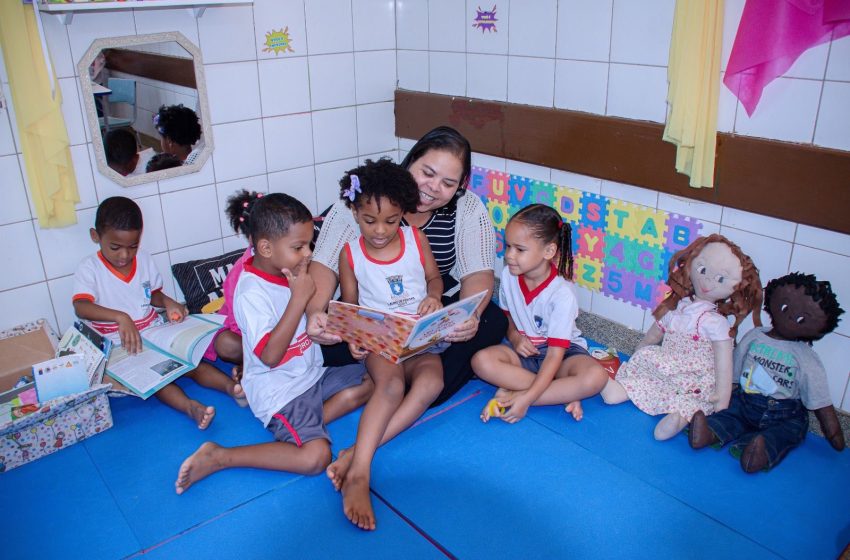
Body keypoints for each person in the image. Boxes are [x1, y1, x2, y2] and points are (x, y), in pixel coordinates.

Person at [174, 193, 373, 494]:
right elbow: (269, 356)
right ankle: (221, 456)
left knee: (375, 378)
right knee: (316, 457)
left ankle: (310, 421)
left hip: (311, 374)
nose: (307, 254)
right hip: (280, 390)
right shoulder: (251, 292)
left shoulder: (290, 272)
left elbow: (308, 324)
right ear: (266, 247)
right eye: (298, 247)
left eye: (309, 245)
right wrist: (299, 298)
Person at [308, 126, 506, 406]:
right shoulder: (367, 196)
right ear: (410, 161)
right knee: (315, 333)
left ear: (461, 185)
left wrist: (469, 317)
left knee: (492, 319)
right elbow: (324, 266)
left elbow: (478, 272)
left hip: (424, 306)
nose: (433, 188)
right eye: (427, 173)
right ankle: (404, 381)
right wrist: (316, 313)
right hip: (371, 307)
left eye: (448, 183)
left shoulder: (468, 208)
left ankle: (393, 381)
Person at [330, 159, 444, 531]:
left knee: (432, 383)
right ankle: (360, 472)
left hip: (421, 340)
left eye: (391, 221)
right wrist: (354, 339)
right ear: (354, 211)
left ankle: (356, 451)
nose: (380, 231)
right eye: (369, 220)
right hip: (382, 343)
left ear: (403, 214)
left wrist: (434, 299)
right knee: (391, 385)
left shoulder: (416, 238)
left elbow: (433, 278)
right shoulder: (350, 254)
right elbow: (350, 307)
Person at [72, 196, 245, 429]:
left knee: (189, 361)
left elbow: (152, 294)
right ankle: (191, 407)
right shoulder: (89, 268)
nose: (124, 255)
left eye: (132, 247)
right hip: (118, 341)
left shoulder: (143, 259)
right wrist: (120, 318)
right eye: (115, 247)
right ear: (96, 236)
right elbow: (81, 307)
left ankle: (232, 388)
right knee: (159, 376)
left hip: (153, 329)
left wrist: (169, 302)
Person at [600, 234, 763, 440]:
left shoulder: (716, 323)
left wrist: (722, 399)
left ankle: (679, 418)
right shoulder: (675, 308)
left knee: (692, 400)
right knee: (647, 375)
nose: (708, 282)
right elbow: (651, 337)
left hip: (694, 379)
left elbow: (724, 364)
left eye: (721, 279)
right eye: (703, 270)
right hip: (666, 367)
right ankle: (619, 390)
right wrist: (637, 357)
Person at [689, 272, 845, 473]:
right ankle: (709, 433)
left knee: (785, 434)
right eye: (786, 307)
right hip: (746, 401)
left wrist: (834, 433)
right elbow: (734, 370)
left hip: (784, 413)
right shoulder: (755, 336)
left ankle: (758, 452)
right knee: (728, 415)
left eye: (801, 318)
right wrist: (723, 393)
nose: (790, 317)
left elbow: (820, 400)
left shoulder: (806, 357)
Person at [471, 204, 609, 424]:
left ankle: (521, 394)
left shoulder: (562, 293)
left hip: (563, 354)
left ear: (549, 252)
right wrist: (515, 337)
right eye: (507, 246)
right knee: (481, 361)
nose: (509, 255)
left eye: (519, 249)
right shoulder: (508, 275)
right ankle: (561, 393)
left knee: (596, 377)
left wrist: (526, 400)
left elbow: (555, 355)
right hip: (527, 351)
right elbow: (508, 318)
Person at [201, 190, 264, 368]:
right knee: (226, 344)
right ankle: (252, 364)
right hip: (245, 332)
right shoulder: (238, 274)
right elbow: (238, 323)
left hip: (277, 331)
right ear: (254, 239)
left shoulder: (290, 259)